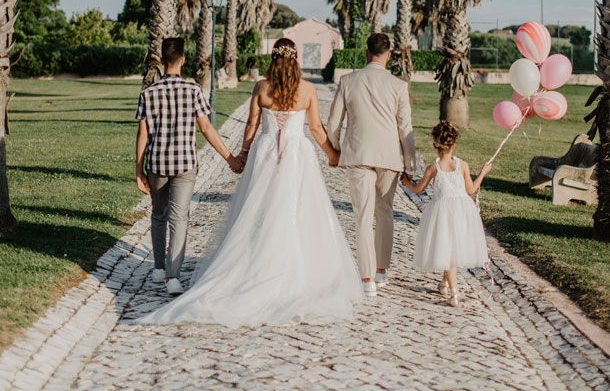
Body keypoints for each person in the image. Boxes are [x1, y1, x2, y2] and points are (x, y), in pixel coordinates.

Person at [138, 38, 362, 326]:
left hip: (266, 153)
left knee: (259, 209)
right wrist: (332, 154)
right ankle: (295, 268)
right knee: (298, 209)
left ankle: (253, 262)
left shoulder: (262, 87)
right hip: (296, 154)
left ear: (273, 58)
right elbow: (317, 128)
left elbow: (252, 125)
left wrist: (242, 155)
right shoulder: (306, 90)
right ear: (295, 59)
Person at [135, 36, 241, 297]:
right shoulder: (193, 90)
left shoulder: (148, 93)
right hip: (184, 164)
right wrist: (230, 158)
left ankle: (159, 267)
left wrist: (138, 170)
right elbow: (206, 128)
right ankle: (173, 276)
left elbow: (143, 135)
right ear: (182, 60)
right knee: (179, 218)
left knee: (158, 214)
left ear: (162, 60)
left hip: (157, 164)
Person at [327, 32, 416, 297]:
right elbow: (405, 128)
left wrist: (338, 150)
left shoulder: (348, 81)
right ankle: (381, 272)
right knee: (385, 211)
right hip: (389, 158)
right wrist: (410, 165)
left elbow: (333, 124)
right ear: (388, 56)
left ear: (367, 53)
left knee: (363, 216)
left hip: (357, 155)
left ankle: (367, 280)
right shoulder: (399, 86)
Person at [401, 121, 492, 308]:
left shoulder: (433, 168)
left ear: (435, 145)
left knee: (448, 250)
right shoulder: (463, 165)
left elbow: (418, 189)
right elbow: (471, 189)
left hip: (442, 211)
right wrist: (483, 172)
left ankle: (454, 293)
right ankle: (444, 283)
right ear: (454, 144)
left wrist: (404, 183)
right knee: (450, 248)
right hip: (462, 210)